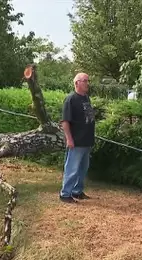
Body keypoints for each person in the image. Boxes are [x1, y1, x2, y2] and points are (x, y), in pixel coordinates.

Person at [59, 72, 96, 203]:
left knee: (83, 169)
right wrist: (69, 139)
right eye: (85, 81)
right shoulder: (70, 99)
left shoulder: (86, 98)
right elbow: (65, 121)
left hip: (87, 141)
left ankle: (77, 191)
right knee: (72, 168)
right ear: (77, 83)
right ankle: (65, 194)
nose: (87, 83)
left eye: (88, 80)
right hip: (76, 141)